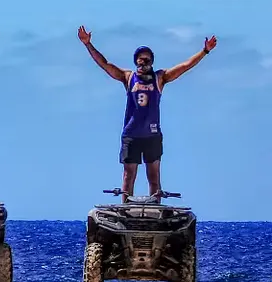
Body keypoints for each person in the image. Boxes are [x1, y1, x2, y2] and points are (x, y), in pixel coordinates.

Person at [78, 25, 217, 198]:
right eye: (139, 59)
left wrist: (205, 51)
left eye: (146, 59)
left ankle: (156, 209)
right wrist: (87, 44)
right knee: (128, 176)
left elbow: (185, 66)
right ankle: (126, 209)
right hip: (131, 134)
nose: (142, 63)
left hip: (152, 135)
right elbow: (105, 64)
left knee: (154, 177)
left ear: (151, 62)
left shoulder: (160, 78)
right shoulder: (128, 77)